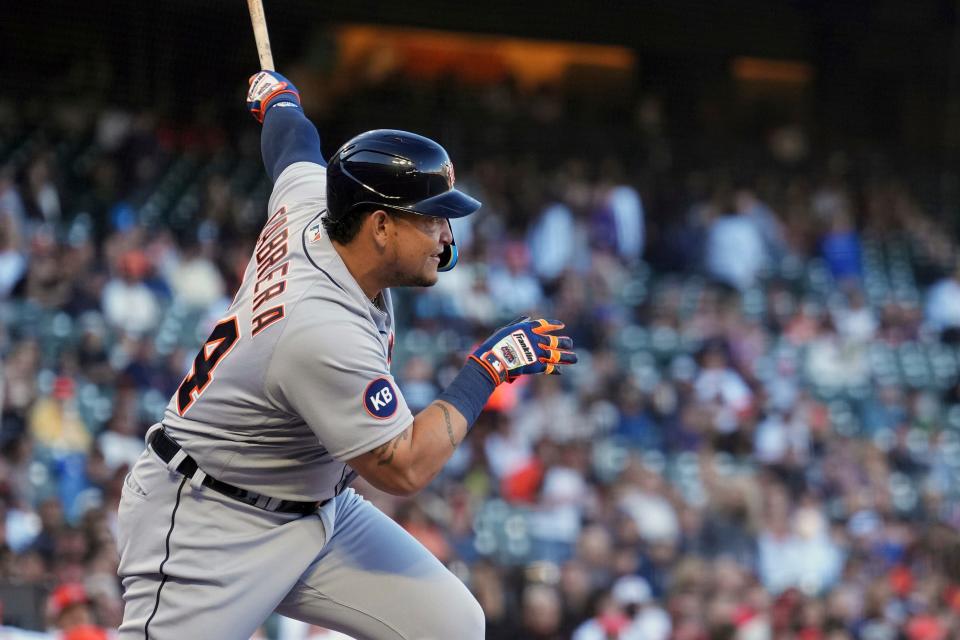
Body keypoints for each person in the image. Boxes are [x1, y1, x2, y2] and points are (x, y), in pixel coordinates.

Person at [115, 70, 577, 639]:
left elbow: (294, 146)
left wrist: (279, 102)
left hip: (313, 511)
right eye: (431, 217)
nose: (446, 235)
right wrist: (488, 369)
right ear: (380, 226)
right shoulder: (321, 328)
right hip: (210, 523)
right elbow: (404, 467)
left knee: (452, 627)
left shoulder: (319, 204)